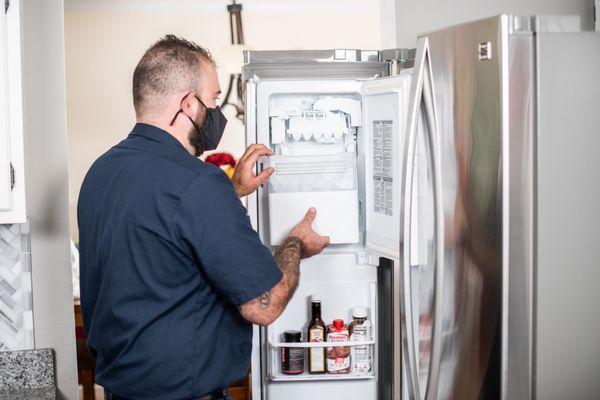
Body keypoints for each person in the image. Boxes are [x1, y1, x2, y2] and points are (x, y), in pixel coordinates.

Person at [77, 35, 330, 400]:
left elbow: (159, 237)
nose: (215, 113)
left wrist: (229, 194)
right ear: (187, 104)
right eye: (212, 101)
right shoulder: (198, 183)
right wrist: (295, 244)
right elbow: (265, 304)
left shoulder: (100, 173)